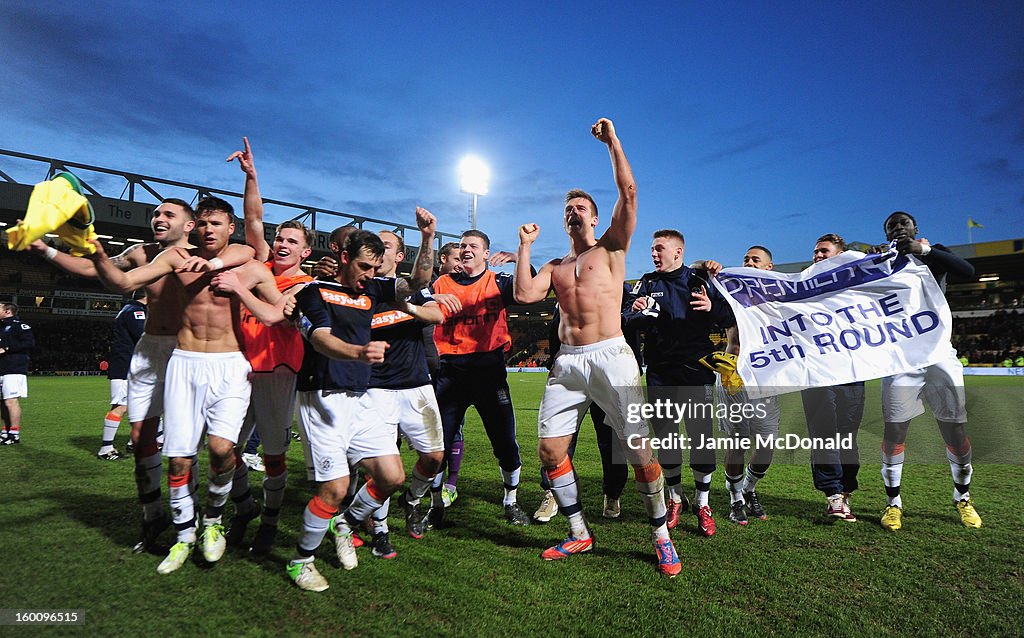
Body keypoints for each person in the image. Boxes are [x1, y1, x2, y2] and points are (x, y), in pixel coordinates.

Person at [30, 198, 254, 552]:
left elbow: (248, 248)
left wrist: (214, 259)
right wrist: (47, 251)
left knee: (211, 443)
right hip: (152, 347)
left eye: (168, 215)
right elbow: (99, 272)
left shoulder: (210, 251)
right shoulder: (143, 253)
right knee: (140, 436)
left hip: (194, 352)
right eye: (156, 213)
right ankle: (154, 514)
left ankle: (227, 505)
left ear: (190, 224)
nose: (158, 219)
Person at [513, 118, 681, 577]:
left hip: (611, 354)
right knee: (550, 451)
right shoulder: (555, 264)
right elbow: (525, 296)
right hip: (567, 363)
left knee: (641, 451)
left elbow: (629, 192)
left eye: (581, 206)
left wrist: (613, 143)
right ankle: (578, 532)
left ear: (593, 215)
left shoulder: (612, 247)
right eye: (568, 207)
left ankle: (661, 536)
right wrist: (524, 246)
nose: (573, 211)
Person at [89, 197, 282, 574]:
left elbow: (275, 314)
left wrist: (238, 290)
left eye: (217, 224)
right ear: (195, 228)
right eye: (204, 223)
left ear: (231, 229)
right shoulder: (177, 259)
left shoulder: (252, 268)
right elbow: (124, 281)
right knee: (178, 459)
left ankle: (212, 522)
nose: (209, 230)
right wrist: (98, 254)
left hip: (230, 366)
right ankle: (183, 535)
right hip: (184, 363)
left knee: (222, 449)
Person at [286, 230, 441, 592]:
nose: (369, 274)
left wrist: (427, 237)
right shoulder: (314, 292)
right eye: (362, 266)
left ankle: (346, 524)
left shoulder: (372, 289)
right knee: (335, 488)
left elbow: (417, 282)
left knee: (391, 477)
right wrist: (358, 352)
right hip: (321, 398)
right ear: (343, 258)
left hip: (360, 398)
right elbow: (320, 338)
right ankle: (301, 561)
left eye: (374, 267)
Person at [223, 138, 315, 556]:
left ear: (305, 252)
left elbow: (275, 316)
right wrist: (252, 177)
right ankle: (244, 506)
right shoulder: (258, 263)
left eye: (291, 241)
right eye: (280, 237)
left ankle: (271, 521)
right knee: (224, 450)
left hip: (277, 374)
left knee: (274, 458)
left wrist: (240, 294)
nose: (281, 244)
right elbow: (253, 219)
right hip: (238, 369)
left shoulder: (306, 286)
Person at [621, 229, 735, 537]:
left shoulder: (699, 281)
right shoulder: (646, 283)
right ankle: (675, 499)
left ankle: (702, 502)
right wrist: (638, 313)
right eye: (653, 249)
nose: (654, 254)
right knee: (667, 439)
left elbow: (729, 316)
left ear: (678, 252)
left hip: (696, 373)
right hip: (660, 373)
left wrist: (713, 308)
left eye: (660, 249)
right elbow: (625, 319)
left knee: (700, 439)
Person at [878, 211, 981, 530]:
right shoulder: (880, 263)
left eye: (902, 224)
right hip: (900, 360)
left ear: (915, 228)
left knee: (954, 432)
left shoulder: (932, 253)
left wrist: (926, 251)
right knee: (895, 432)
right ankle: (893, 503)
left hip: (939, 356)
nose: (897, 228)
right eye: (891, 226)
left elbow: (969, 271)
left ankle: (962, 497)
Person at [363, 215, 452, 558]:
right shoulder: (362, 288)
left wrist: (406, 307)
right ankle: (380, 530)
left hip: (416, 384)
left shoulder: (407, 289)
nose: (377, 250)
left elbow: (437, 315)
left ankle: (412, 500)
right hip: (375, 387)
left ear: (399, 256)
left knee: (433, 457)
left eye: (384, 246)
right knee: (387, 465)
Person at [431, 228, 530, 527]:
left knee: (506, 444)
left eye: (473, 245)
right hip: (450, 374)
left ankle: (510, 501)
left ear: (486, 254)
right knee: (438, 447)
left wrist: (519, 256)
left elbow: (528, 290)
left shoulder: (497, 282)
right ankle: (436, 506)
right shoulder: (442, 283)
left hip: (489, 373)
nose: (466, 249)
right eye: (462, 245)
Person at [533, 283, 633, 522]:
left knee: (611, 442)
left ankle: (612, 494)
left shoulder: (620, 287)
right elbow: (556, 327)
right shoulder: (568, 285)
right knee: (560, 439)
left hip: (607, 373)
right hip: (571, 374)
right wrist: (554, 363)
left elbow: (633, 318)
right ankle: (553, 493)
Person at [712, 246, 782, 525]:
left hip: (766, 375)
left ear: (769, 267)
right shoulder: (729, 291)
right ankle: (735, 499)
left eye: (756, 260)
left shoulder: (781, 297)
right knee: (738, 440)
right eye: (746, 259)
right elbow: (697, 277)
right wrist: (708, 268)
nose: (749, 263)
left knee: (767, 443)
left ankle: (748, 489)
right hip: (734, 372)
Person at [799, 234, 866, 522]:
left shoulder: (856, 284)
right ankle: (833, 495)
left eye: (823, 251)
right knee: (824, 433)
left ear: (841, 255)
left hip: (852, 369)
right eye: (815, 251)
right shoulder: (800, 285)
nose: (817, 255)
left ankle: (847, 488)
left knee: (848, 433)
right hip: (816, 370)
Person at [97, 290, 147, 460]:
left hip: (129, 365)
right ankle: (105, 448)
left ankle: (135, 442)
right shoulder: (135, 311)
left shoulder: (128, 309)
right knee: (120, 407)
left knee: (140, 406)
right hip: (126, 366)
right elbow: (143, 336)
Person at [0, 303, 34, 446]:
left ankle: (14, 434)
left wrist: (7, 348)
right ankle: (5, 432)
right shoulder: (1, 326)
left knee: (10, 401)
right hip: (2, 368)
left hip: (14, 368)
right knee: (3, 403)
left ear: (7, 311)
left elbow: (30, 343)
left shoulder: (19, 325)